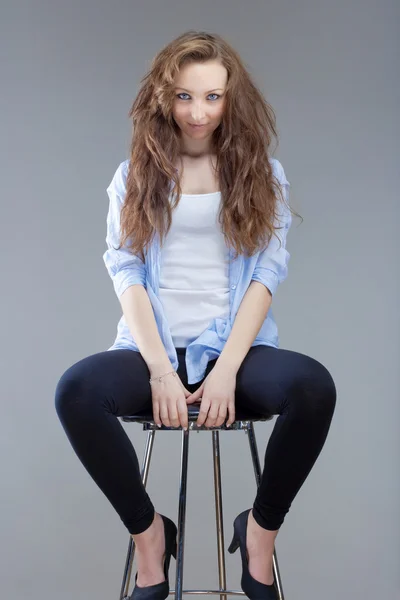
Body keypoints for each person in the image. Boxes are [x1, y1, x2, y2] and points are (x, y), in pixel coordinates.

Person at [55, 30, 337, 600]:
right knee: (75, 392)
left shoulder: (263, 174)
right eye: (184, 96)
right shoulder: (133, 175)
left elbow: (265, 277)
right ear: (163, 97)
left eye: (212, 96)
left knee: (313, 387)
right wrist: (160, 368)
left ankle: (259, 533)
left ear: (233, 98)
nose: (198, 112)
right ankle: (150, 537)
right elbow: (126, 273)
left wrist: (228, 368)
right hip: (150, 353)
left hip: (236, 353)